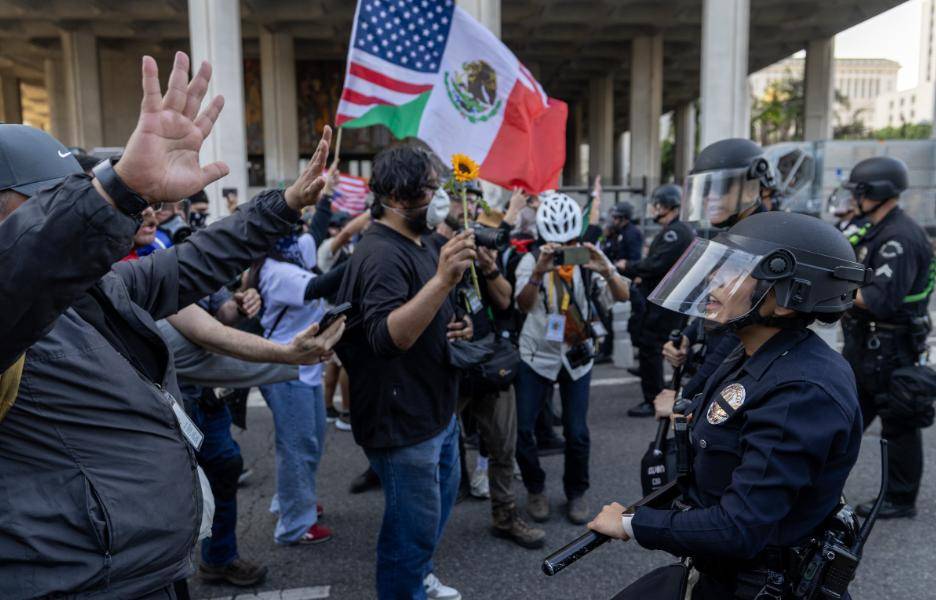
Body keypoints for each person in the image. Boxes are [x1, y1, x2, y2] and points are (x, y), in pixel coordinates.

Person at [0, 52, 335, 598]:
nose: (67, 207)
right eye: (51, 199)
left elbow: (192, 262)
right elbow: (23, 273)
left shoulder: (97, 288)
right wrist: (116, 192)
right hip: (80, 585)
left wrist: (283, 206)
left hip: (145, 572)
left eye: (74, 192)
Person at [588, 211, 866, 600]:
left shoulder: (802, 391)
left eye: (733, 272)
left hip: (753, 585)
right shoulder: (752, 350)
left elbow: (740, 529)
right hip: (718, 572)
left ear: (785, 300)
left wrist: (633, 523)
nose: (713, 281)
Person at [335, 145, 473, 600]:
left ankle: (420, 576)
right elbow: (386, 338)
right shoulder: (378, 255)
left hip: (437, 411)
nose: (437, 197)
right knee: (406, 535)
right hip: (402, 424)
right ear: (395, 194)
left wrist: (459, 320)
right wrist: (441, 282)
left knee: (429, 520)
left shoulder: (426, 242)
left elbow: (437, 311)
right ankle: (406, 585)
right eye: (429, 188)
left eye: (437, 186)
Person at [432, 185, 547, 549]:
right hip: (445, 368)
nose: (468, 206)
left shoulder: (478, 242)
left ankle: (505, 515)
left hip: (487, 362)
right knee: (433, 452)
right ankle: (426, 532)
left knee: (502, 447)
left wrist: (491, 269)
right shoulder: (427, 248)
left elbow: (505, 300)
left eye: (474, 200)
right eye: (459, 198)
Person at [514, 191, 630, 526]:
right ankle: (535, 488)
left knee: (577, 432)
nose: (565, 252)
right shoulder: (529, 261)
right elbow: (523, 304)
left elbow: (622, 295)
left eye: (571, 243)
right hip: (537, 354)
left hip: (577, 356)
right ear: (543, 240)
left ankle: (576, 492)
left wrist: (604, 269)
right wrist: (539, 269)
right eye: (556, 245)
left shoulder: (590, 262)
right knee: (523, 429)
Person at [654, 139, 781, 417]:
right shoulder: (732, 234)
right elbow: (714, 302)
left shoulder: (766, 241)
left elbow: (738, 336)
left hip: (740, 376)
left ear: (753, 186)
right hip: (718, 368)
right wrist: (688, 337)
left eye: (719, 188)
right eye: (705, 189)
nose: (708, 198)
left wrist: (687, 396)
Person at [839, 156, 934, 520]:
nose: (853, 199)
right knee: (843, 416)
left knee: (899, 422)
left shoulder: (899, 237)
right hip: (867, 344)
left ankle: (900, 498)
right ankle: (818, 485)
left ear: (874, 192)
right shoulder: (874, 228)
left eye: (858, 192)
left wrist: (831, 291)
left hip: (889, 346)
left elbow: (879, 300)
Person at [255, 224, 334, 545]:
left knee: (308, 441)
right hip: (286, 372)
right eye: (292, 222)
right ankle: (295, 526)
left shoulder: (291, 257)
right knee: (297, 447)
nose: (302, 231)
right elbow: (319, 285)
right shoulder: (278, 271)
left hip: (304, 370)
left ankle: (293, 502)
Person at [618, 184, 693, 417]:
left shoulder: (675, 232)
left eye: (658, 204)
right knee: (663, 347)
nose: (655, 209)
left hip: (664, 303)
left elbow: (657, 265)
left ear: (669, 206)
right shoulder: (675, 230)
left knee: (651, 347)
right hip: (666, 300)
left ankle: (653, 400)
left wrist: (629, 267)